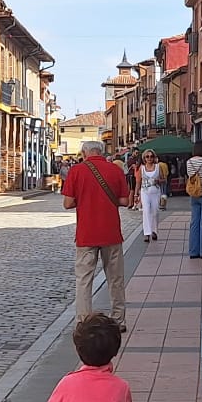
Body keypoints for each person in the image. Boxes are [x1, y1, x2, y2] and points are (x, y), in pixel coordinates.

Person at [61, 138, 132, 332]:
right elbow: (125, 201)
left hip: (86, 233)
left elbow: (67, 203)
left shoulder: (76, 171)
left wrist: (85, 199)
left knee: (84, 279)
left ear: (85, 153)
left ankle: (83, 321)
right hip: (111, 232)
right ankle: (118, 319)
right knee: (115, 278)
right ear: (101, 152)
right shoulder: (115, 170)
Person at [134, 150, 164, 243]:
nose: (149, 158)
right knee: (146, 210)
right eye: (147, 156)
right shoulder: (141, 168)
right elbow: (138, 182)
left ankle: (154, 230)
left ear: (154, 157)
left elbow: (164, 179)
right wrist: (136, 194)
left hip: (155, 192)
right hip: (145, 192)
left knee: (155, 211)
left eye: (151, 156)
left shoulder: (158, 167)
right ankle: (146, 233)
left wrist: (159, 181)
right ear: (144, 158)